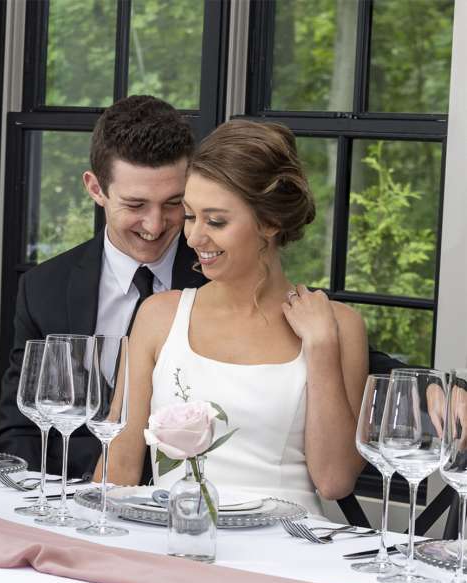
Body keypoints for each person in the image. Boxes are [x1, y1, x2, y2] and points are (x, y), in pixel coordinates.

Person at [103, 120, 368, 515]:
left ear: (269, 223)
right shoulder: (159, 316)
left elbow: (334, 480)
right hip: (175, 544)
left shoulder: (338, 326)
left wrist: (321, 346)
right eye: (191, 216)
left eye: (216, 221)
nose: (193, 238)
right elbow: (118, 466)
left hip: (286, 549)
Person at [0, 95, 205, 478]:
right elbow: (18, 430)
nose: (155, 225)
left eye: (174, 202)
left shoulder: (214, 282)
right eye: (136, 205)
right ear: (95, 188)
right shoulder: (44, 288)